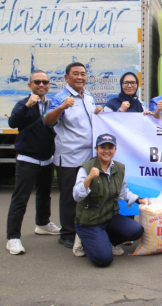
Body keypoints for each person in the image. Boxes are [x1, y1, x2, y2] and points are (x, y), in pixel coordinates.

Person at [44, 62, 103, 249]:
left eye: (83, 74)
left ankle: (82, 230)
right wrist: (61, 107)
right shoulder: (62, 97)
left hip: (88, 156)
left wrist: (97, 113)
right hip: (69, 157)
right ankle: (67, 234)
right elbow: (48, 121)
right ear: (67, 78)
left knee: (86, 194)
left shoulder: (88, 96)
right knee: (70, 197)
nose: (80, 77)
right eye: (75, 74)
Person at [72, 134, 149, 267]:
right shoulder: (86, 168)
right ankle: (83, 240)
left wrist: (139, 200)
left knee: (136, 230)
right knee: (103, 260)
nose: (106, 151)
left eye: (110, 147)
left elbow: (123, 191)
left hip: (109, 216)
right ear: (96, 149)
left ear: (115, 150)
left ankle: (106, 242)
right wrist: (88, 179)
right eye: (102, 147)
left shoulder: (119, 168)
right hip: (90, 221)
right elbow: (76, 196)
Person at [5, 70, 60, 255]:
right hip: (27, 159)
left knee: (45, 194)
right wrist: (27, 106)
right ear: (30, 85)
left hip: (46, 159)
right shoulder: (23, 104)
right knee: (20, 199)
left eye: (45, 81)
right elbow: (13, 123)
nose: (41, 85)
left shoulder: (52, 105)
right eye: (37, 82)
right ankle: (13, 237)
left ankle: (43, 223)